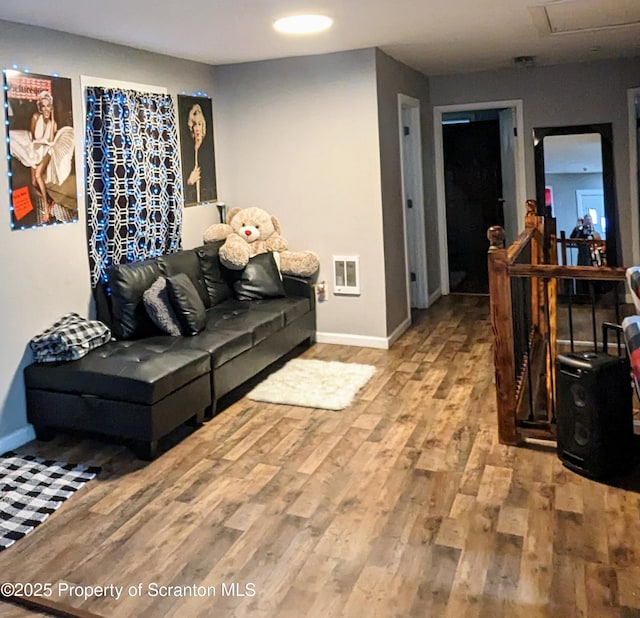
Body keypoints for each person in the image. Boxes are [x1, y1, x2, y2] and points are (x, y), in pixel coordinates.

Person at [186, 104, 206, 204]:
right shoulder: (189, 151)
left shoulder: (206, 150)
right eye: (194, 125)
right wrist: (190, 181)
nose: (197, 129)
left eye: (199, 124)